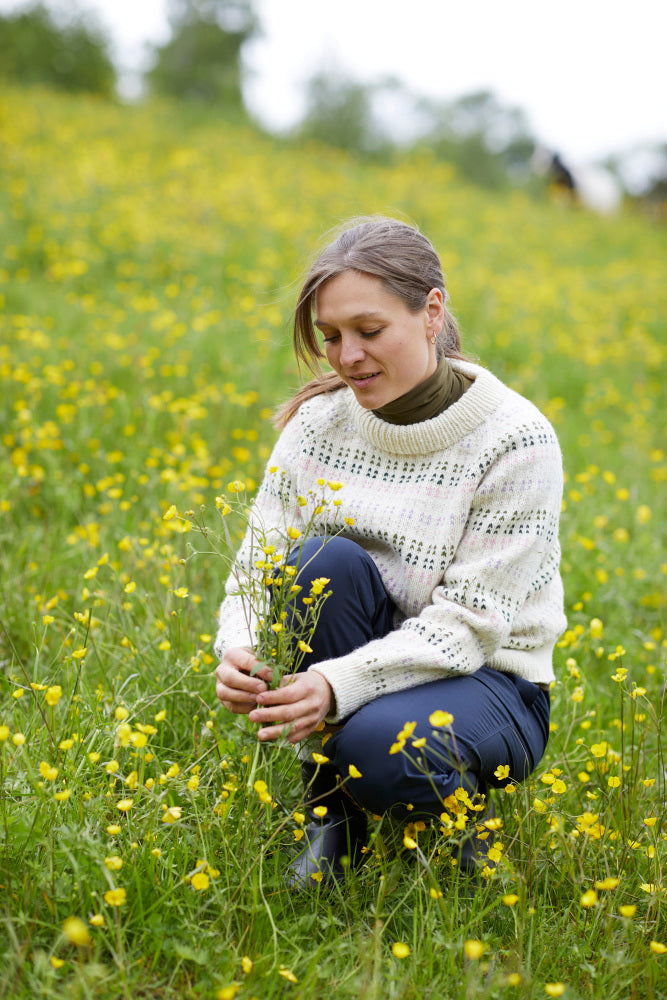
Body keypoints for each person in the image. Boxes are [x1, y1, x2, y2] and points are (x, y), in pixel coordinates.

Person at [214, 216, 566, 890]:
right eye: (331, 338)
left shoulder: (515, 439)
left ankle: (460, 819)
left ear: (431, 312)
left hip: (489, 680)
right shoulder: (319, 424)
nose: (346, 358)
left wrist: (332, 686)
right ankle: (331, 823)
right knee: (319, 564)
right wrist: (237, 648)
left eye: (368, 332)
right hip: (362, 658)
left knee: (380, 750)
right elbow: (257, 565)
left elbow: (469, 627)